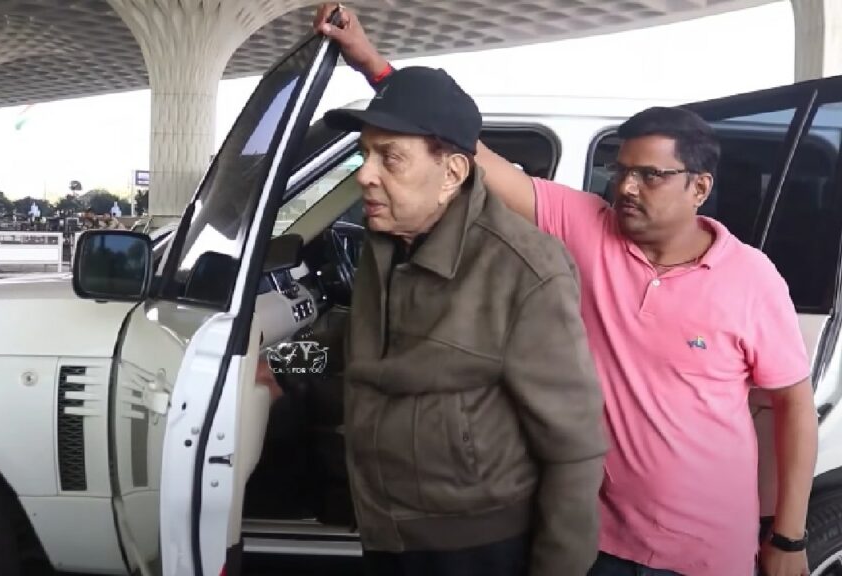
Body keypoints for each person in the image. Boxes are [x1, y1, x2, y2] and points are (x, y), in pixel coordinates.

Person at [312, 5, 819, 576]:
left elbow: (793, 408)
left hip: (706, 551)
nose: (626, 186)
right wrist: (374, 66)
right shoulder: (586, 226)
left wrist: (789, 536)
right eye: (619, 169)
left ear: (699, 186)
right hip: (600, 541)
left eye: (650, 175)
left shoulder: (751, 279)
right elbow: (465, 151)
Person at [262, 53, 608, 573]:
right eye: (365, 155)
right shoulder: (389, 241)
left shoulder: (526, 271)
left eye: (389, 157)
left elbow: (573, 450)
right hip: (383, 525)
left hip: (471, 549)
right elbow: (353, 340)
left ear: (452, 172)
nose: (366, 177)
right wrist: (284, 363)